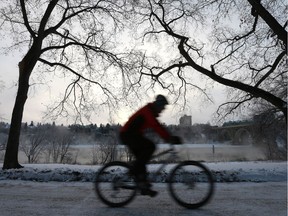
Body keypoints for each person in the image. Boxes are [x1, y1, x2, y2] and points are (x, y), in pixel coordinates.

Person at [120, 95, 181, 197]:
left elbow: (159, 126)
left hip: (131, 135)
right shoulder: (148, 111)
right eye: (162, 107)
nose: (162, 110)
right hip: (127, 134)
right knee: (150, 147)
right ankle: (136, 174)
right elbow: (156, 126)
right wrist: (169, 138)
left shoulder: (151, 111)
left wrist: (169, 137)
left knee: (142, 159)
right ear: (158, 105)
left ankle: (143, 185)